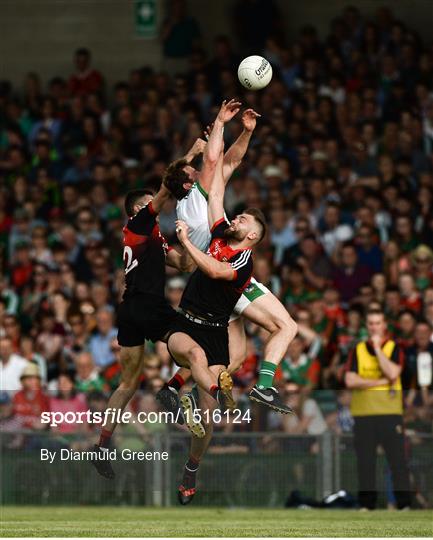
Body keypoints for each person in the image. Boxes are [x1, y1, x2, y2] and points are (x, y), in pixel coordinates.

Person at [157, 99, 297, 418]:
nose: (201, 163)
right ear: (189, 180)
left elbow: (225, 163)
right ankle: (263, 385)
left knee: (234, 360)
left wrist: (239, 131)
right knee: (286, 326)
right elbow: (222, 162)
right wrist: (220, 127)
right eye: (192, 168)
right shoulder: (200, 194)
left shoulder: (195, 207)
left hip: (211, 290)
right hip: (224, 280)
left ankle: (174, 388)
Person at [170, 151, 267, 504]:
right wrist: (226, 127)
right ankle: (202, 389)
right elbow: (216, 191)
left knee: (206, 420)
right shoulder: (218, 234)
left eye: (244, 220)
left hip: (214, 330)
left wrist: (184, 244)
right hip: (186, 323)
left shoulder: (243, 261)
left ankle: (191, 469)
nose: (236, 218)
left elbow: (213, 271)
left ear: (253, 235)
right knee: (193, 356)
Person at [91, 182, 191, 480]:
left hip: (130, 309)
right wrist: (192, 153)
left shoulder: (155, 237)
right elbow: (165, 190)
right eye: (151, 203)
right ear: (137, 209)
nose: (158, 208)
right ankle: (170, 389)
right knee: (198, 345)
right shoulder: (139, 222)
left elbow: (185, 265)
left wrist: (191, 240)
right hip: (149, 306)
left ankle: (102, 446)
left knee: (128, 383)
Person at [344, 308, 411, 510]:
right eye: (371, 323)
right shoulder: (357, 350)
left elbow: (392, 372)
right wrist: (380, 381)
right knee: (365, 463)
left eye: (378, 323)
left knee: (398, 462)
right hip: (363, 414)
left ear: (384, 326)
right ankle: (367, 505)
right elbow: (349, 380)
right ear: (367, 326)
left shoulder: (394, 348)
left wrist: (377, 348)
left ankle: (403, 505)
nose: (374, 327)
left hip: (390, 414)